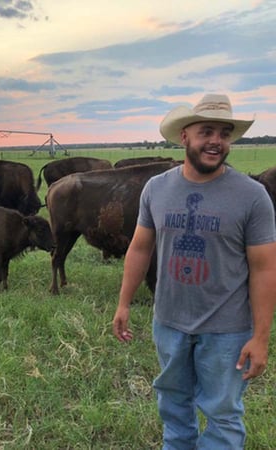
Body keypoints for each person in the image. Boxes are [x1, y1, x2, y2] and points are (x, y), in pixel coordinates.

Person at [112, 93, 276, 449]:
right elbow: (140, 247)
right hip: (168, 322)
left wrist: (261, 337)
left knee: (223, 415)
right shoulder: (156, 188)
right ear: (185, 136)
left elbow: (264, 269)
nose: (215, 141)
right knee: (173, 406)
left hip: (228, 330)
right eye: (206, 131)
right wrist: (124, 303)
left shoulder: (252, 196)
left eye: (224, 133)